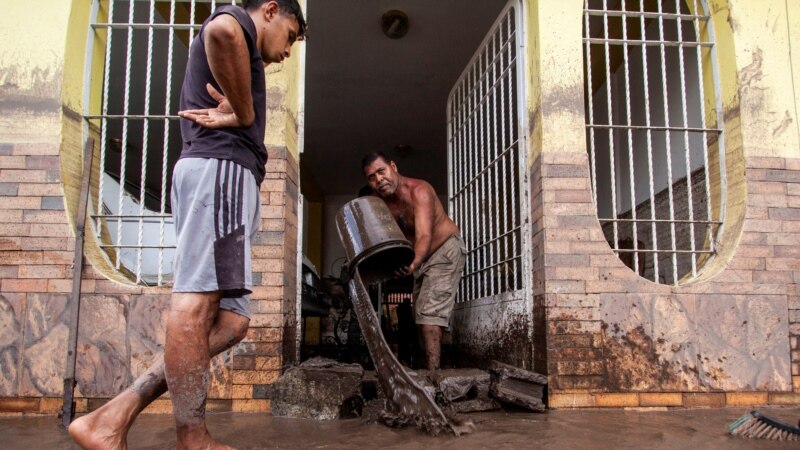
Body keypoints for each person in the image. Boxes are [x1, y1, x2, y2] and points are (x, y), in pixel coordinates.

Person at [69, 1, 306, 449]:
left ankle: (113, 416)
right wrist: (244, 112)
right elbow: (221, 31)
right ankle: (193, 438)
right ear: (270, 10)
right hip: (219, 173)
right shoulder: (236, 20)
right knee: (194, 308)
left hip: (226, 179)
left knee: (233, 322)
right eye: (290, 37)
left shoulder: (248, 49)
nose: (288, 52)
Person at [361, 151, 466, 371]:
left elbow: (425, 236)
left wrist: (413, 264)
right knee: (420, 316)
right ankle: (428, 370)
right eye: (372, 177)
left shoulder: (420, 191)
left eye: (381, 171)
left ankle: (433, 379)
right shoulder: (382, 204)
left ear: (393, 166)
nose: (379, 179)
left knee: (429, 315)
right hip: (421, 257)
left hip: (443, 250)